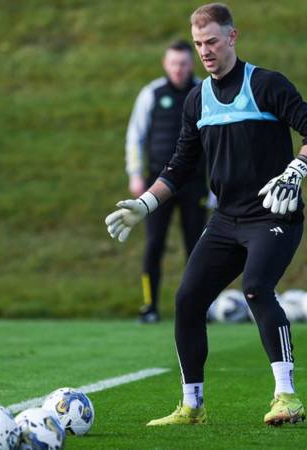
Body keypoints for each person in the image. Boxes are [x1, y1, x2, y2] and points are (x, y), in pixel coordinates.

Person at [106, 3, 307, 426]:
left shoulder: (267, 84)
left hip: (273, 217)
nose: (205, 51)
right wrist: (144, 205)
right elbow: (179, 166)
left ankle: (287, 397)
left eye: (211, 41)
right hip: (226, 220)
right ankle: (193, 406)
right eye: (198, 44)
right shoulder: (197, 99)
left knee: (256, 288)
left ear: (232, 37)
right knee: (187, 300)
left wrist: (296, 170)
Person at [125, 40, 207, 324]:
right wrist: (135, 174)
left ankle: (196, 307)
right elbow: (135, 135)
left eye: (184, 63)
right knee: (154, 244)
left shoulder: (204, 92)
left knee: (197, 247)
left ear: (191, 64)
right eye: (174, 63)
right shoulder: (152, 93)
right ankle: (149, 305)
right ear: (165, 64)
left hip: (195, 182)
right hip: (158, 184)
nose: (179, 69)